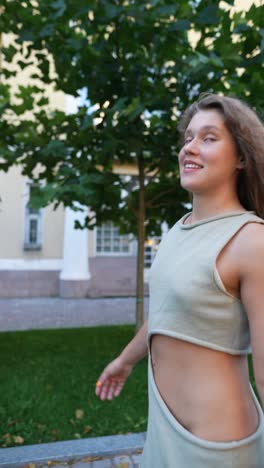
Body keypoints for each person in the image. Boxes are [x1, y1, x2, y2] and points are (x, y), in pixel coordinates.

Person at [95, 94, 264, 467]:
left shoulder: (252, 240)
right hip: (162, 430)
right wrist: (124, 361)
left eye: (208, 137)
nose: (189, 147)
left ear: (241, 157)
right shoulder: (177, 230)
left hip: (217, 448)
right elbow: (166, 314)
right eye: (188, 137)